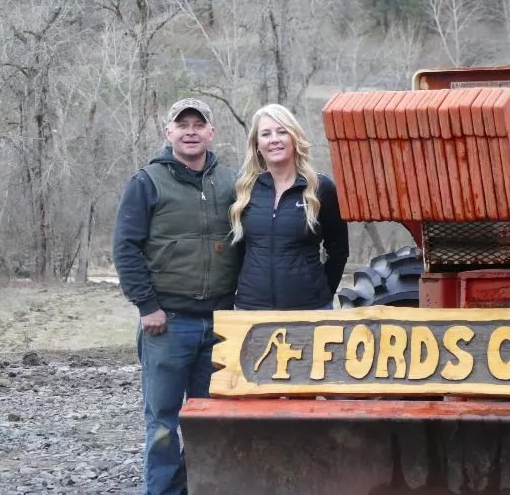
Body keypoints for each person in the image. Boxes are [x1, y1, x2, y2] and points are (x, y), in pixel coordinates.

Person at [112, 98, 240, 495]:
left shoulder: (231, 183)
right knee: (163, 420)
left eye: (198, 124)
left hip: (219, 322)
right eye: (181, 124)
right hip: (167, 324)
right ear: (168, 133)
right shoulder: (147, 182)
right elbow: (125, 248)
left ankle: (201, 487)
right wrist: (147, 306)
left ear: (211, 133)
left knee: (210, 419)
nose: (190, 131)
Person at [229, 104, 349, 310]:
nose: (274, 139)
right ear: (257, 144)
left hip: (309, 310)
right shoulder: (244, 189)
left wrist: (322, 293)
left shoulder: (320, 188)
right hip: (251, 310)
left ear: (294, 138)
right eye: (266, 134)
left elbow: (338, 250)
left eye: (282, 131)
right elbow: (238, 250)